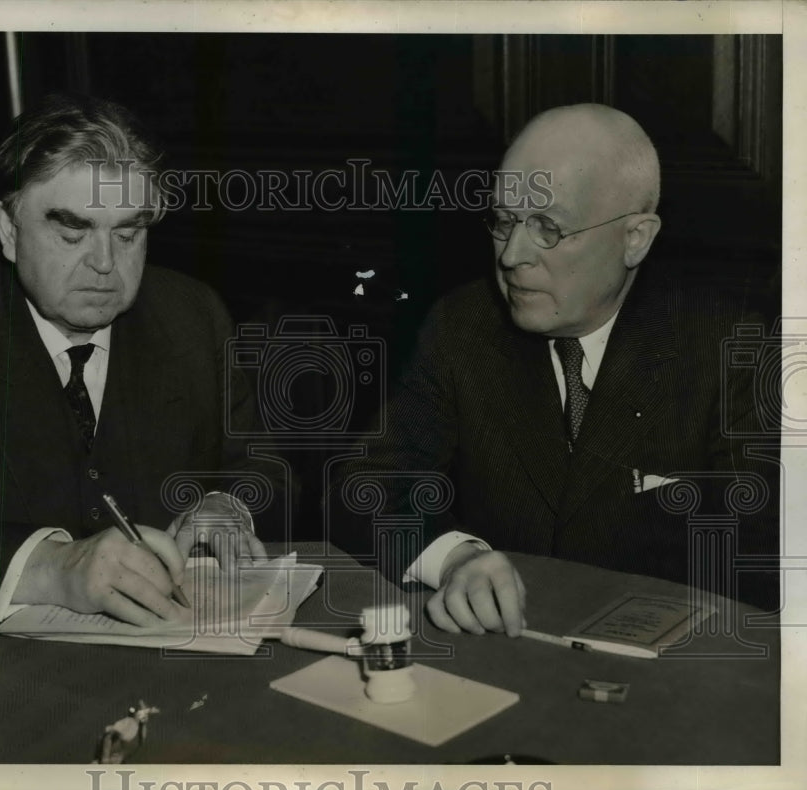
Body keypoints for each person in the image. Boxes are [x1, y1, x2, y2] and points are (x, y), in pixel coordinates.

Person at [332, 103, 779, 635]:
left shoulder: (734, 352)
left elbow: (766, 570)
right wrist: (456, 559)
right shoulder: (463, 326)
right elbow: (363, 487)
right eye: (504, 221)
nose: (513, 254)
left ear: (635, 237)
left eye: (548, 227)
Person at [0, 94, 284, 625]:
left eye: (127, 234)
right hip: (4, 675)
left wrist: (226, 506)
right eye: (72, 232)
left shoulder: (193, 316)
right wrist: (55, 568)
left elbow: (262, 463)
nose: (105, 264)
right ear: (9, 230)